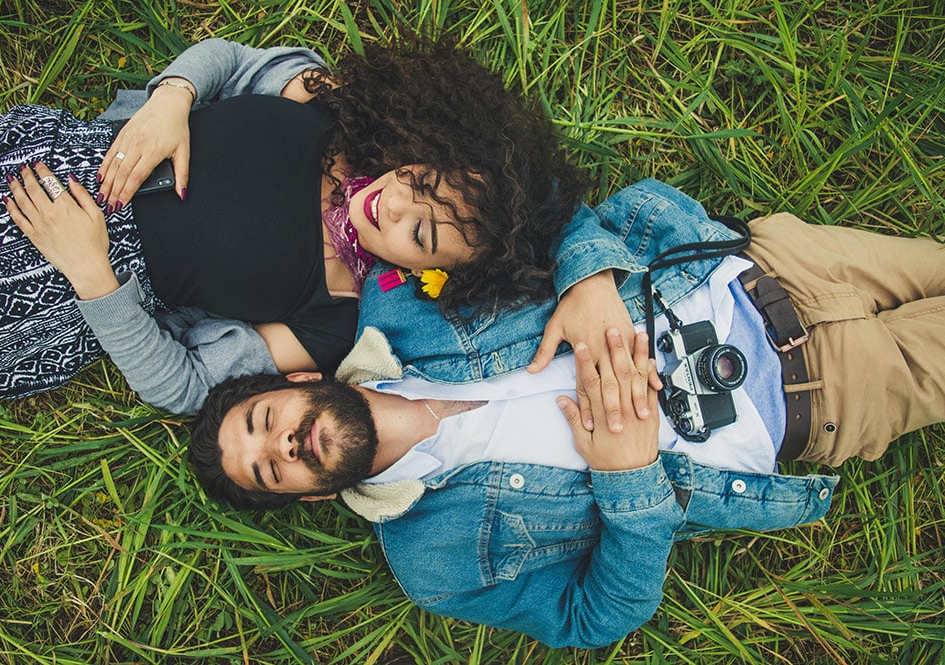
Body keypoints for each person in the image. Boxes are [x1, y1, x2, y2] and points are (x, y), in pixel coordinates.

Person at [187, 179, 945, 648]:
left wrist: (586, 280)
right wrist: (629, 480)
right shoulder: (434, 562)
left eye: (263, 419)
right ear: (308, 494)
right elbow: (596, 617)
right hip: (831, 399)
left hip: (771, 266)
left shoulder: (403, 295)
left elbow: (529, 194)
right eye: (271, 469)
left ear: (298, 378)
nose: (282, 441)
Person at [0, 36, 586, 413]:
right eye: (419, 181)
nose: (393, 204)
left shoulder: (335, 315)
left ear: (434, 274)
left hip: (36, 287)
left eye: (420, 234)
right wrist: (174, 96)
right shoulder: (334, 109)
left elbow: (187, 388)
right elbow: (225, 57)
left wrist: (92, 276)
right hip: (34, 163)